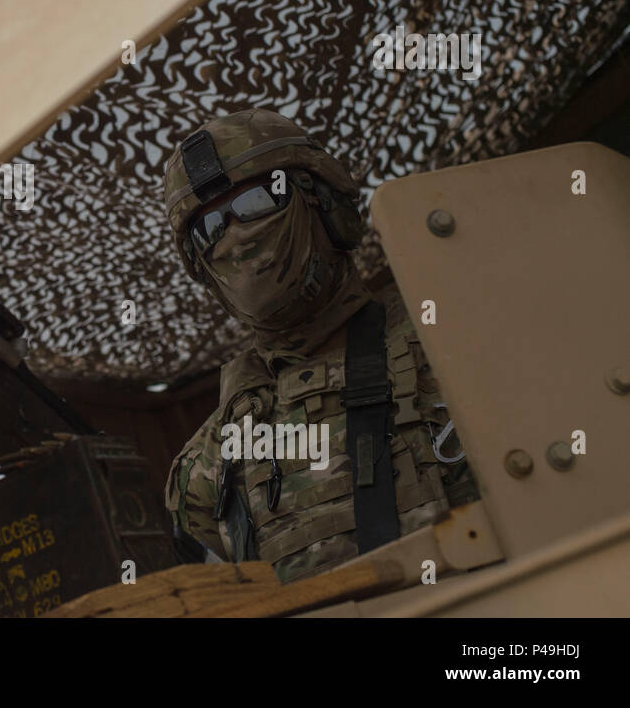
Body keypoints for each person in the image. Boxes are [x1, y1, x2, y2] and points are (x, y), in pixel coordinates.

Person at [162, 109, 477, 582]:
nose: (233, 238)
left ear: (324, 202)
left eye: (254, 201)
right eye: (209, 229)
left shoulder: (458, 344)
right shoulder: (206, 470)